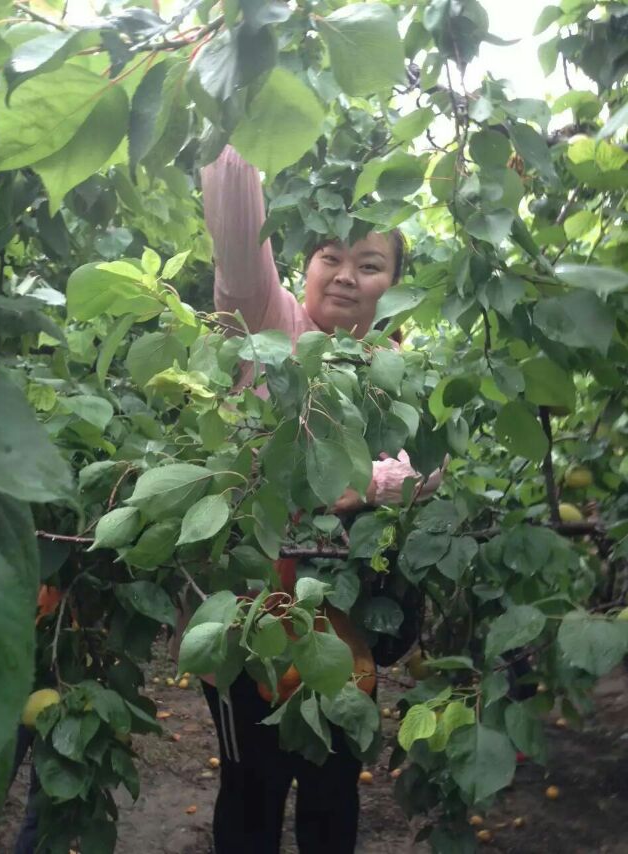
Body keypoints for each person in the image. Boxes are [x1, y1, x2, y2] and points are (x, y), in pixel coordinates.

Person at [198, 145, 446, 854]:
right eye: (330, 257)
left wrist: (371, 484)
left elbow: (432, 469)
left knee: (333, 795)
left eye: (370, 264)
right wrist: (245, 120)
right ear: (302, 268)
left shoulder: (399, 370)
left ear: (394, 286)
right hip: (251, 619)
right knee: (250, 793)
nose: (345, 275)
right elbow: (238, 246)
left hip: (347, 623)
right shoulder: (270, 325)